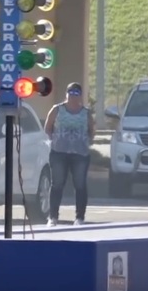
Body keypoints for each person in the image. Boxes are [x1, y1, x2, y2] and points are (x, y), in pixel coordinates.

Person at [44, 82, 95, 227]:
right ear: (66, 94)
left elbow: (91, 130)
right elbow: (48, 127)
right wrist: (53, 140)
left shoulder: (86, 113)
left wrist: (86, 142)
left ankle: (80, 217)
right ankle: (53, 217)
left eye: (76, 94)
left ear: (80, 96)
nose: (73, 97)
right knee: (57, 184)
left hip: (80, 154)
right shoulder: (57, 109)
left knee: (80, 185)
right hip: (59, 152)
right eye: (70, 93)